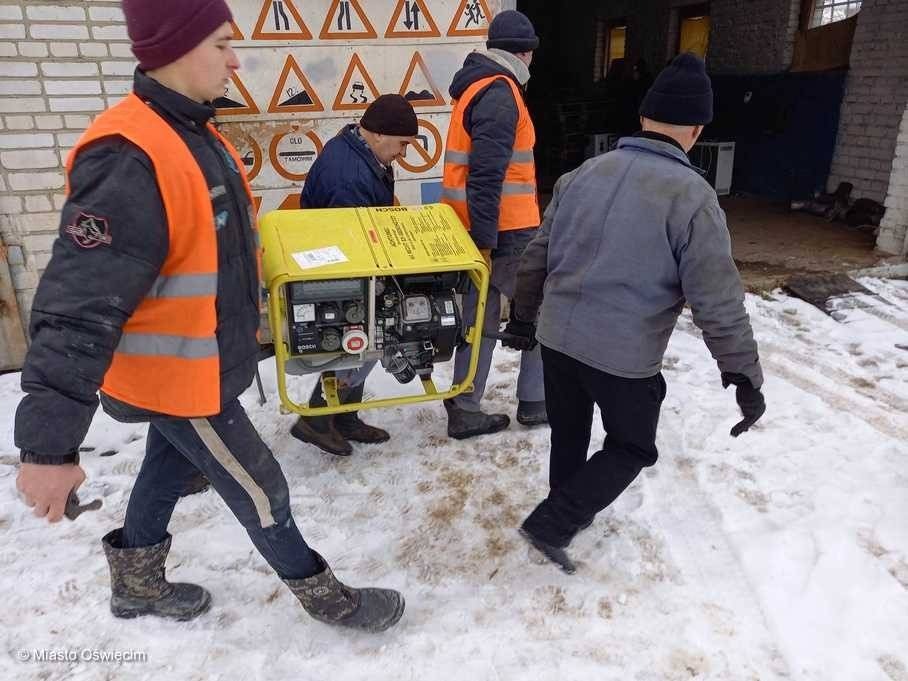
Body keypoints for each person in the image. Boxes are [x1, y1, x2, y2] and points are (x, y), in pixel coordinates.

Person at [13, 0, 403, 632]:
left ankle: (137, 583)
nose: (235, 59)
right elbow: (77, 307)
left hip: (196, 368)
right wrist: (48, 449)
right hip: (179, 379)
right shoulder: (128, 155)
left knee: (167, 469)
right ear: (174, 46)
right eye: (221, 43)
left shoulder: (191, 133)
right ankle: (329, 598)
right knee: (261, 487)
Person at [503, 54, 766, 574]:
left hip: (557, 339)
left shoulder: (581, 175)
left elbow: (537, 255)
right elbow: (716, 300)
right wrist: (742, 374)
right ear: (696, 130)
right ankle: (555, 521)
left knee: (570, 431)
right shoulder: (693, 197)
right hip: (622, 356)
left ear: (644, 119)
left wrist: (523, 318)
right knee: (631, 446)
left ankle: (565, 506)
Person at [290, 95, 418, 457]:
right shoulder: (350, 175)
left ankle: (345, 417)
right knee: (361, 341)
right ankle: (316, 419)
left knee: (365, 337)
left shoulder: (358, 150)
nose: (404, 154)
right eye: (403, 144)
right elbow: (354, 242)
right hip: (339, 270)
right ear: (379, 134)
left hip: (344, 261)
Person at [440, 9, 547, 439]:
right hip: (505, 231)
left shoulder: (476, 88)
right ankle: (536, 402)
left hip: (479, 227)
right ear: (525, 53)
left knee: (478, 317)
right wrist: (485, 243)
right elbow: (486, 177)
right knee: (540, 310)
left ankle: (465, 404)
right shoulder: (501, 94)